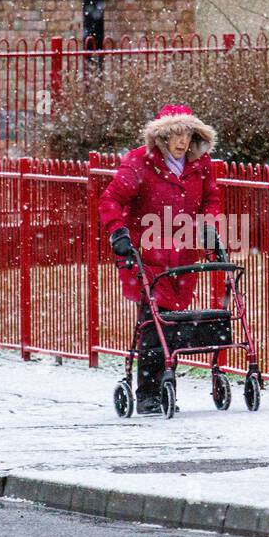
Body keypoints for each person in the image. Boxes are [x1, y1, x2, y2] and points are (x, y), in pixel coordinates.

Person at [98, 105, 223, 415]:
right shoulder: (140, 162)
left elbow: (211, 199)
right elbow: (111, 198)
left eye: (187, 135)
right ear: (162, 135)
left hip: (183, 255)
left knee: (174, 323)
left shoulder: (201, 164)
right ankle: (149, 393)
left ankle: (166, 383)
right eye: (175, 135)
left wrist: (209, 226)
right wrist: (118, 232)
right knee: (155, 323)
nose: (182, 142)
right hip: (147, 254)